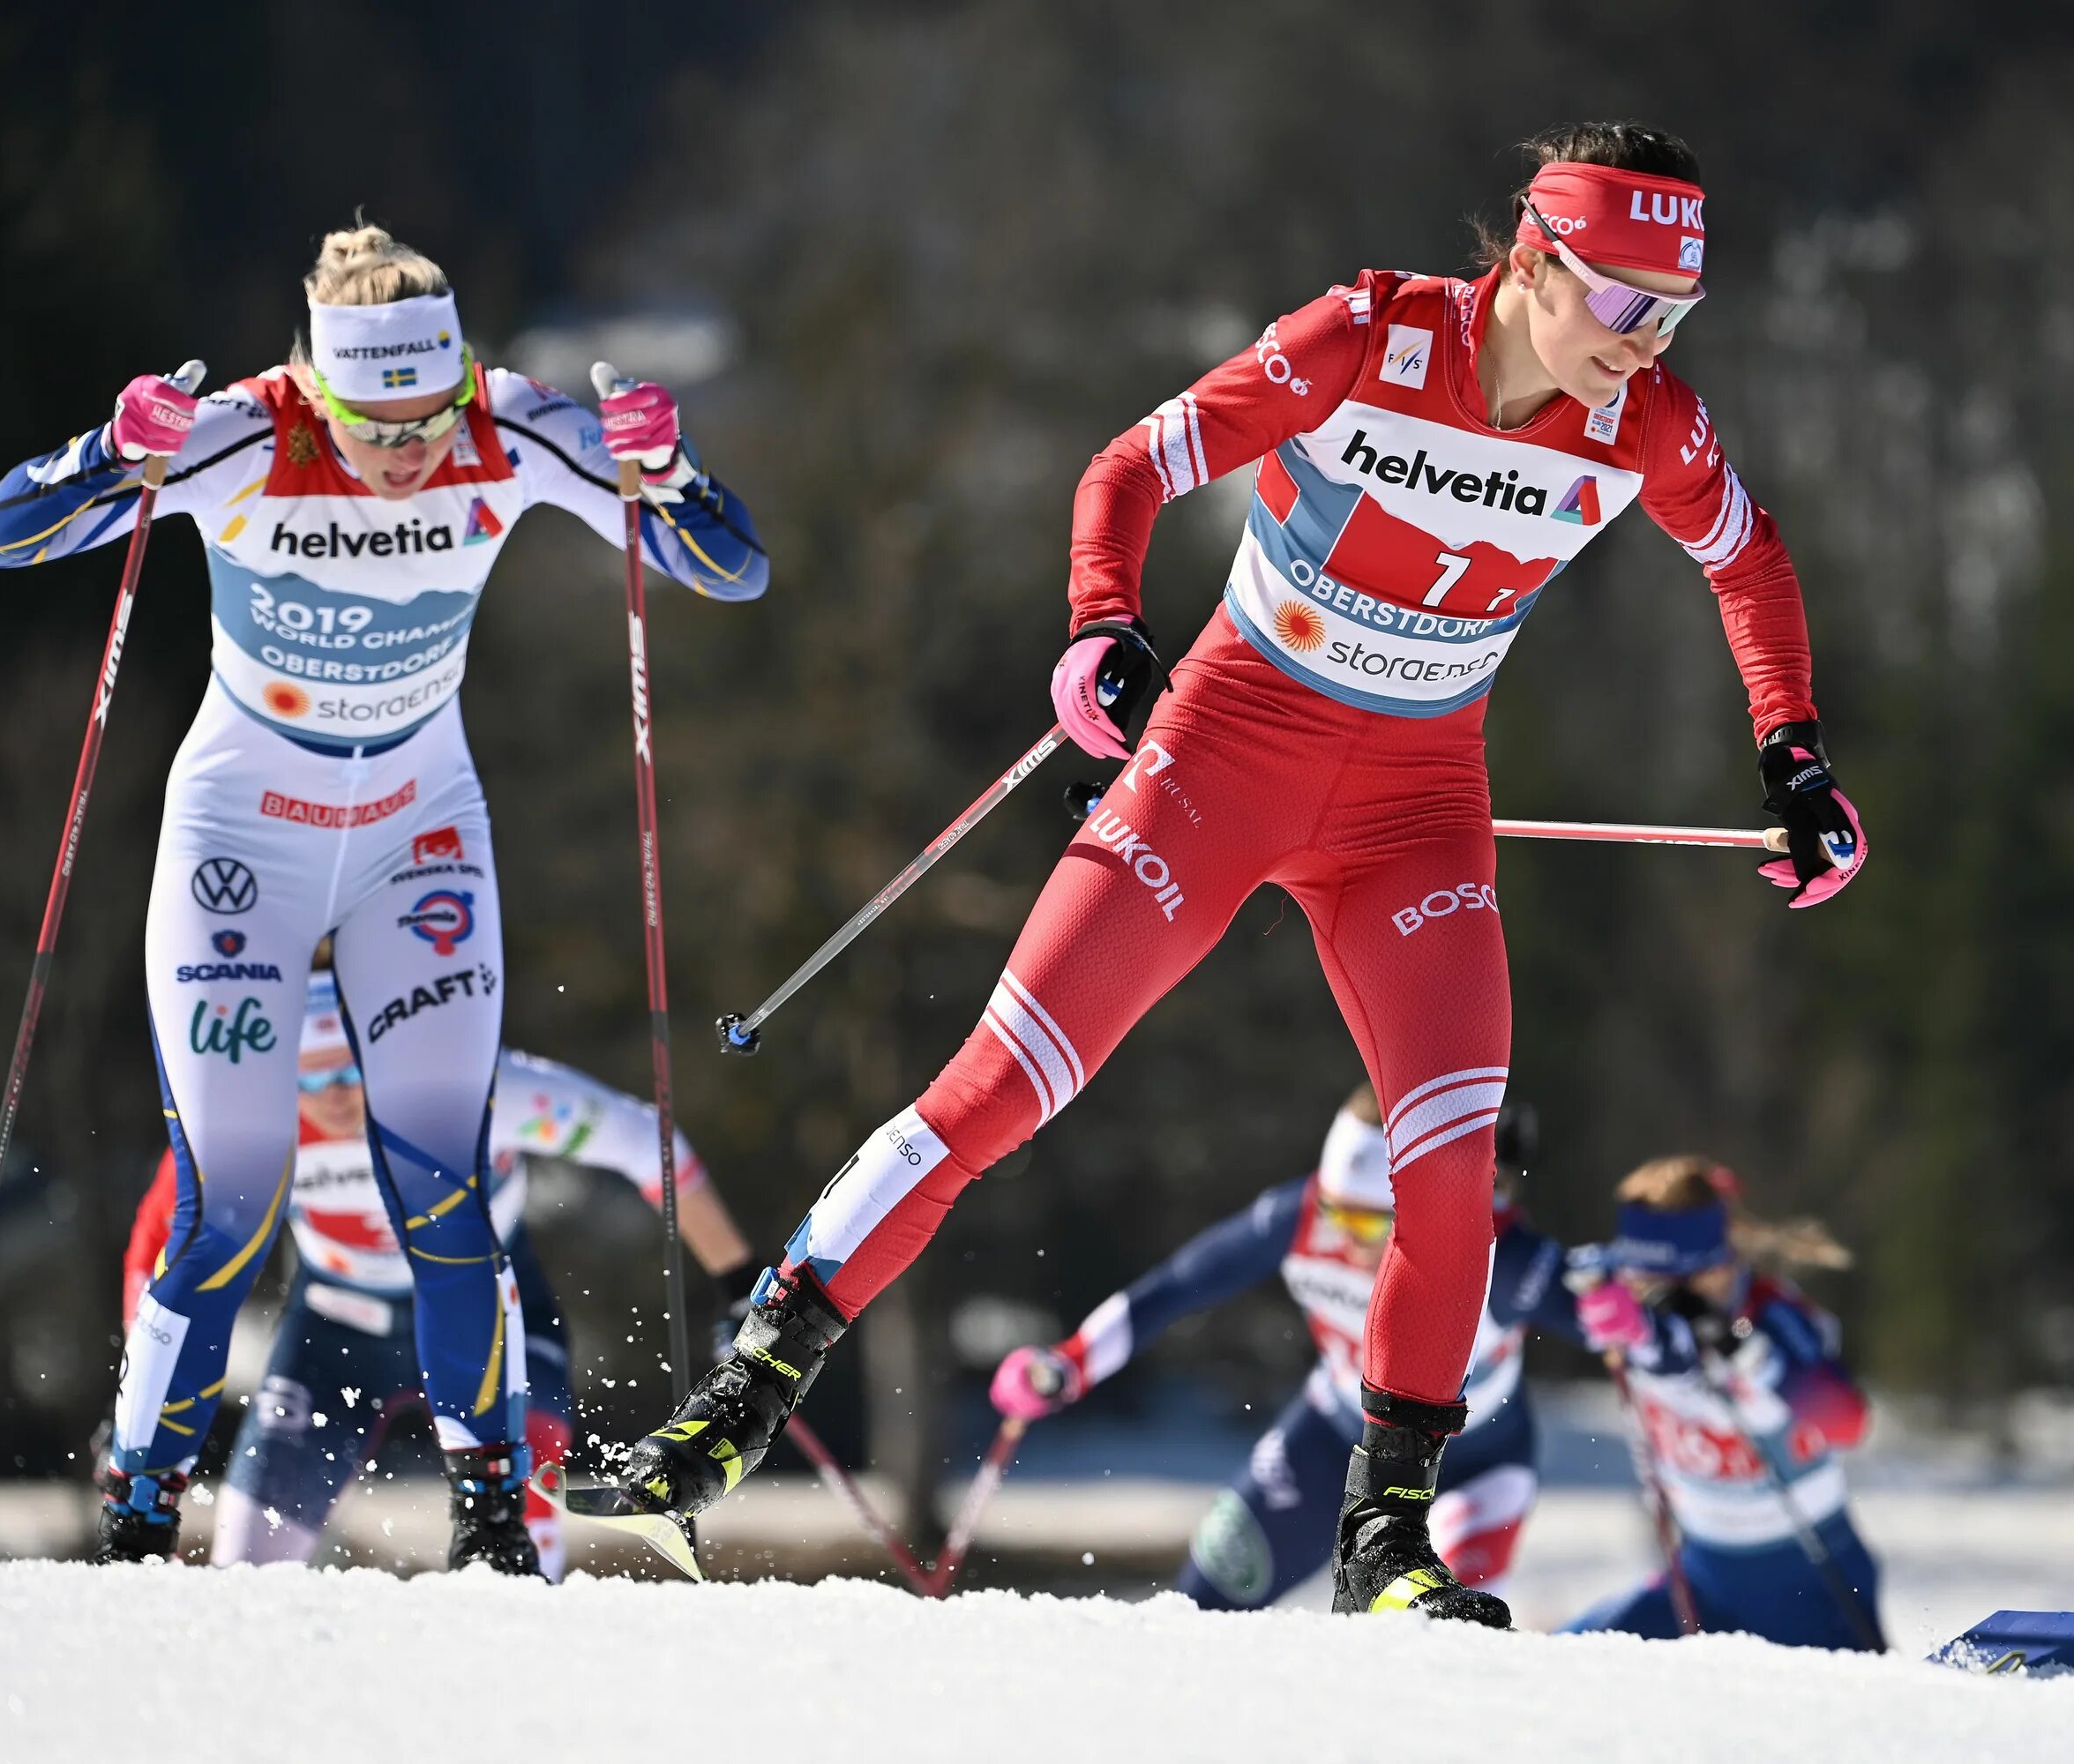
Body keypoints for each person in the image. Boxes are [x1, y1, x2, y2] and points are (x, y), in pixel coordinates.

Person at [616, 118, 1865, 1628]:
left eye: (1672, 313)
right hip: (1219, 755)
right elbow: (1128, 468)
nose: (1643, 343)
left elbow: (1752, 563)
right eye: (1617, 302)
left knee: (1454, 1173)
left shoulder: (1649, 424)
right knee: (999, 1092)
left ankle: (1385, 1545)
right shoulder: (1371, 334)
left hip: (1416, 809)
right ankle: (737, 1406)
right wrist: (1098, 626)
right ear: (1534, 263)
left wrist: (1793, 760)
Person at [0, 220, 768, 1572]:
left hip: (417, 833)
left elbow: (725, 565)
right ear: (315, 389)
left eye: (430, 419)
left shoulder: (510, 428)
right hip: (242, 841)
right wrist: (114, 451)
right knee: (232, 1197)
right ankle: (141, 1505)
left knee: (444, 1190)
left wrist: (667, 472)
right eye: (373, 427)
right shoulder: (236, 438)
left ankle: (492, 1511)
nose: (409, 457)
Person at [115, 972, 752, 1579]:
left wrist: (740, 1283)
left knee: (518, 1553)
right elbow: (158, 1239)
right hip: (337, 1331)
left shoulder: (472, 1092)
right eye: (309, 1077)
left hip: (489, 1318)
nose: (332, 1096)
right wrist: (137, 1402)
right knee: (247, 1564)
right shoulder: (261, 1125)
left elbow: (646, 1141)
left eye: (350, 1070)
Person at [989, 1089, 1591, 1610]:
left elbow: (1623, 1325)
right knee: (1200, 1605)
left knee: (1439, 1633)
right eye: (1338, 1214)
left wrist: (1633, 1314)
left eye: (1371, 1224)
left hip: (1475, 1465)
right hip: (1333, 1441)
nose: (1347, 1241)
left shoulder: (1497, 1251)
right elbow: (1179, 1287)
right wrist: (1068, 1363)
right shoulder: (1298, 1218)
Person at [1563, 1156, 1883, 1648]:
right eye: (1647, 1284)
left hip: (1808, 1575)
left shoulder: (1776, 1316)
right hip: (1703, 1577)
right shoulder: (1628, 1305)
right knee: (1568, 1655)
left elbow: (1847, 1422)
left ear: (1721, 1261)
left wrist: (1758, 1363)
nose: (1662, 1303)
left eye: (1684, 1286)